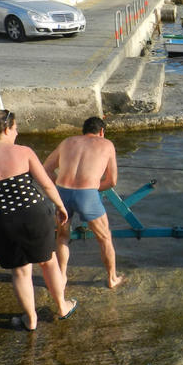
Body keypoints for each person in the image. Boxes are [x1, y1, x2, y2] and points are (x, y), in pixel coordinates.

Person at [0, 109, 77, 330]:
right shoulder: (24, 152)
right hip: (34, 213)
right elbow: (46, 184)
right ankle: (62, 306)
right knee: (48, 261)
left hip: (2, 220)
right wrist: (61, 207)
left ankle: (31, 319)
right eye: (14, 128)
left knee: (20, 271)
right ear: (6, 129)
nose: (16, 132)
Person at [43, 117, 123, 289]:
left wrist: (58, 185)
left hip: (62, 193)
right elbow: (112, 181)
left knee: (63, 236)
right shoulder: (107, 144)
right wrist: (93, 188)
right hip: (87, 195)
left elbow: (46, 169)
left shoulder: (67, 142)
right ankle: (112, 278)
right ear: (102, 132)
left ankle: (62, 277)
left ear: (83, 130)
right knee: (104, 238)